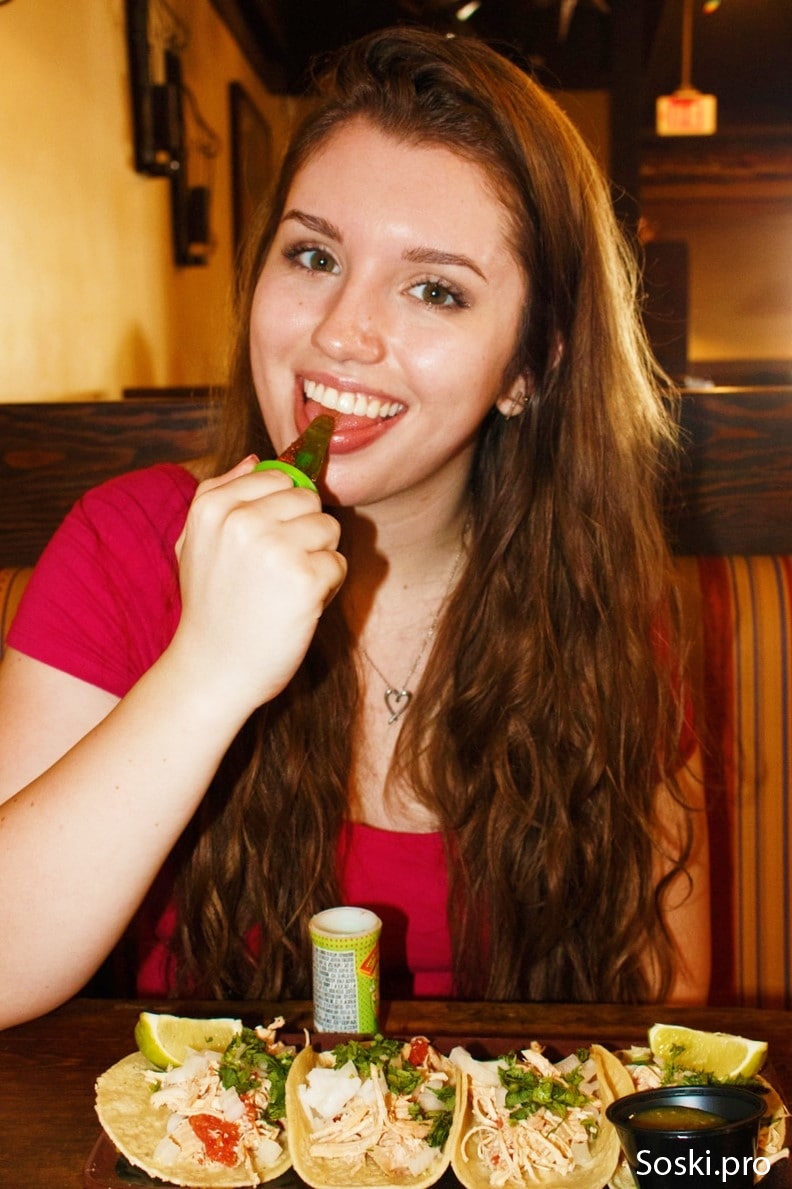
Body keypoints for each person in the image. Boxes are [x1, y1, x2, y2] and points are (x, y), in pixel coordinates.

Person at [0, 26, 709, 1029]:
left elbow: (667, 1010)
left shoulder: (605, 606)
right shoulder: (124, 545)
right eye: (314, 254)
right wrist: (206, 670)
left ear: (530, 366)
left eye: (435, 289)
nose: (340, 330)